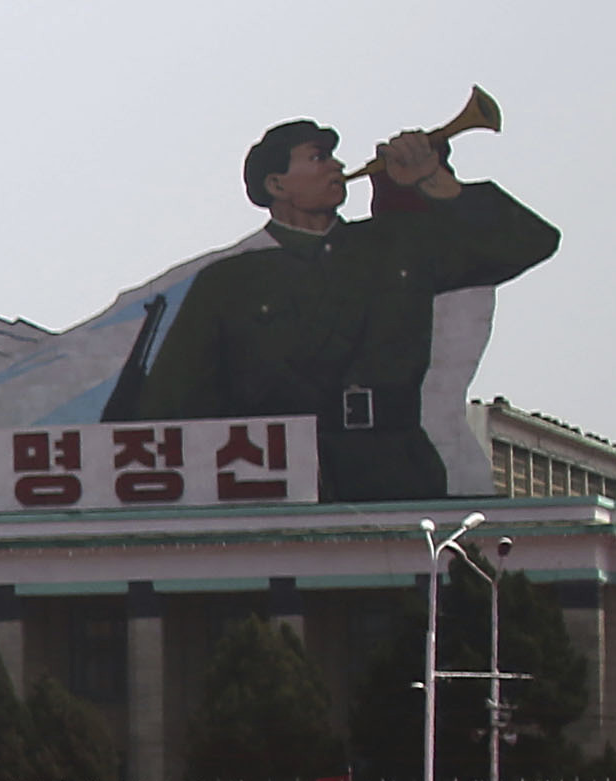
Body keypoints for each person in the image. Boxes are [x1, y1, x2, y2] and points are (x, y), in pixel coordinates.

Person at [109, 118, 559, 504]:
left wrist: (435, 180)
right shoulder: (230, 281)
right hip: (280, 476)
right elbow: (170, 405)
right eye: (318, 157)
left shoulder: (395, 245)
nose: (338, 166)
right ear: (276, 184)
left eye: (334, 157)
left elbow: (529, 242)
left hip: (395, 466)